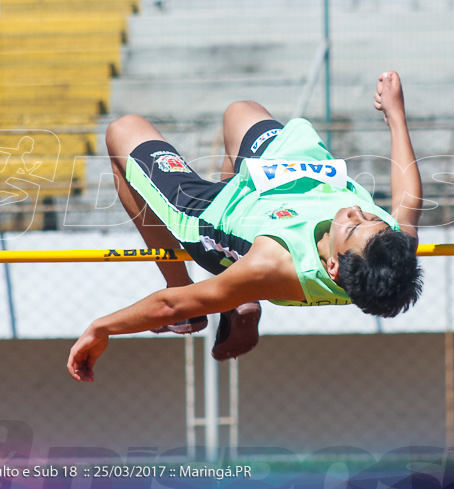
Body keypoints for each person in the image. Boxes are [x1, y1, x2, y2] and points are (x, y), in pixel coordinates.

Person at [68, 71, 423, 381]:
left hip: (214, 212)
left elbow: (169, 306)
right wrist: (396, 115)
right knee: (241, 111)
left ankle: (195, 294)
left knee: (122, 131)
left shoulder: (273, 263)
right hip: (289, 170)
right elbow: (409, 201)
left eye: (350, 227)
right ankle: (237, 297)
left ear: (332, 267)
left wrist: (102, 328)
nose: (355, 211)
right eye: (370, 217)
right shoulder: (391, 249)